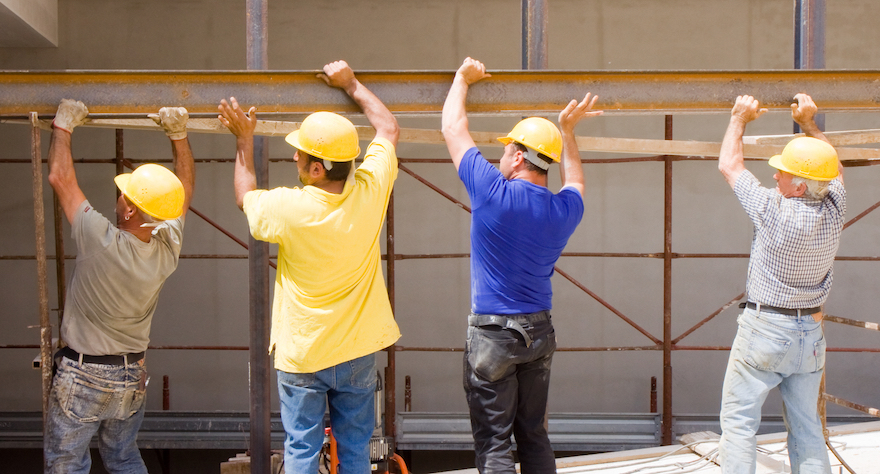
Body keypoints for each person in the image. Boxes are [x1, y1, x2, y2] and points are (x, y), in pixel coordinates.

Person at [218, 60, 400, 474]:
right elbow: (388, 128)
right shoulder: (369, 194)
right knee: (354, 452)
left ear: (317, 169)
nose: (295, 155)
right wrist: (352, 83)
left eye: (300, 153)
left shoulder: (289, 208)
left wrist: (244, 141)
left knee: (302, 449)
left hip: (304, 353)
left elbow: (245, 196)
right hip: (356, 350)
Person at [440, 56, 600, 474]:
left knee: (494, 445)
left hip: (493, 334)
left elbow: (453, 128)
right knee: (533, 435)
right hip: (539, 333)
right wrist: (567, 133)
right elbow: (577, 182)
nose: (499, 158)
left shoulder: (494, 194)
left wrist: (462, 79)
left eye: (504, 151)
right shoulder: (564, 211)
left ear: (515, 157)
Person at [45, 99, 195, 474]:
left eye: (125, 194)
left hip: (84, 373)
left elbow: (60, 179)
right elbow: (184, 190)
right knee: (124, 459)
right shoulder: (166, 245)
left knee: (66, 464)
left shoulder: (101, 241)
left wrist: (63, 127)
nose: (120, 196)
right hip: (130, 374)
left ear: (128, 211)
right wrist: (179, 135)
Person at [717, 93, 845, 473]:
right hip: (811, 333)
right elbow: (833, 168)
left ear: (800, 187)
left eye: (783, 173)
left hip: (766, 328)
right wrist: (809, 123)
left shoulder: (771, 209)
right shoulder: (835, 208)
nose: (775, 175)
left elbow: (729, 164)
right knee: (807, 427)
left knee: (739, 423)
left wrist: (739, 118)